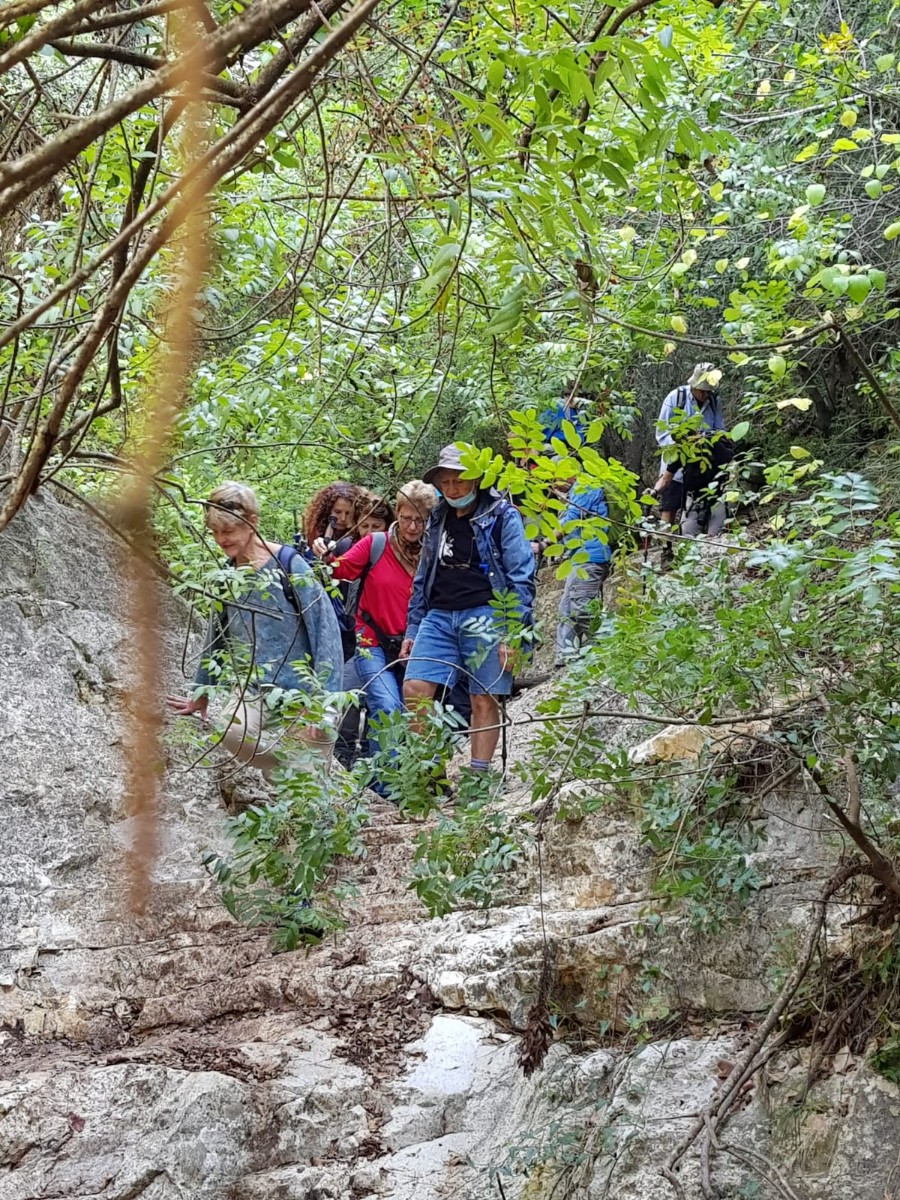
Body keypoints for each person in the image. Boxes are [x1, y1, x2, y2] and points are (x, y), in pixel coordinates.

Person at [168, 482, 343, 779]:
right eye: (215, 532)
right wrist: (201, 692)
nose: (221, 539)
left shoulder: (289, 566)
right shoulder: (227, 576)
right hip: (253, 689)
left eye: (229, 530)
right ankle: (291, 767)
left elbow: (324, 631)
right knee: (230, 732)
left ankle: (303, 774)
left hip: (302, 693)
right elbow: (217, 637)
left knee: (304, 798)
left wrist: (324, 703)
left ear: (252, 522)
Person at [401, 444, 536, 776]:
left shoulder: (502, 515)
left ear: (476, 477)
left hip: (487, 612)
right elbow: (422, 577)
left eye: (458, 480)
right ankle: (431, 774)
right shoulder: (436, 518)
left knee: (483, 697)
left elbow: (521, 575)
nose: (452, 489)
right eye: (444, 483)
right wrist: (413, 629)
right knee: (415, 689)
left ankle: (478, 778)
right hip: (439, 615)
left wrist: (513, 634)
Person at [319, 482, 437, 782]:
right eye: (407, 517)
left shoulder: (434, 552)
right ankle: (385, 786)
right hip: (370, 640)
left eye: (420, 520)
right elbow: (339, 569)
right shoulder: (376, 544)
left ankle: (401, 780)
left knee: (416, 715)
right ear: (398, 512)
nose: (412, 526)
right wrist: (322, 553)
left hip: (413, 646)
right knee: (387, 706)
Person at [653, 363, 727, 529]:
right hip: (676, 462)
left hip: (702, 464)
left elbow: (720, 430)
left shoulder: (714, 401)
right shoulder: (676, 398)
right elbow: (662, 433)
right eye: (702, 391)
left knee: (702, 502)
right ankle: (666, 546)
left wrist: (709, 439)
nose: (705, 394)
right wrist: (683, 442)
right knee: (669, 505)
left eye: (708, 391)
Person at [555, 479, 612, 666]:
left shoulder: (585, 488)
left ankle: (607, 649)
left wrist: (543, 543)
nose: (553, 485)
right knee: (566, 610)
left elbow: (569, 521)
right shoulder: (575, 491)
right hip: (578, 557)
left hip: (591, 556)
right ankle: (565, 659)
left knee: (583, 609)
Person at [303, 481, 359, 559]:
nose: (343, 518)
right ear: (326, 511)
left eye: (348, 513)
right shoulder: (314, 529)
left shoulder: (359, 535)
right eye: (337, 512)